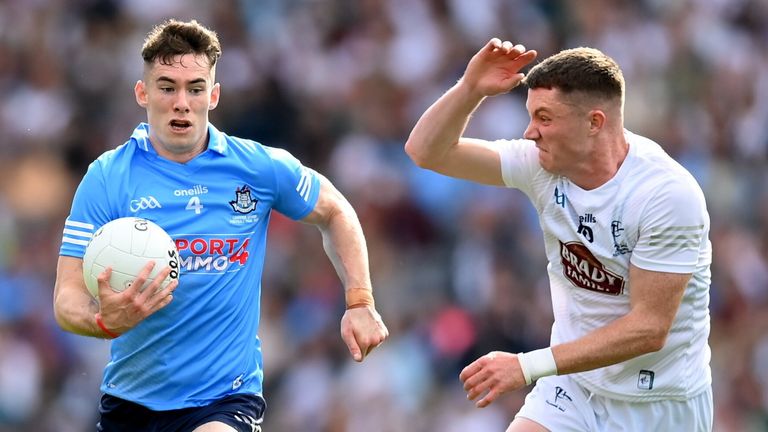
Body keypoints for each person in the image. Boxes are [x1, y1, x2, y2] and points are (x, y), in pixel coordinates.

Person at [53, 19, 388, 432]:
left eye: (195, 88)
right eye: (167, 86)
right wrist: (105, 321)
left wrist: (360, 301)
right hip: (131, 403)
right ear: (143, 93)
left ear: (213, 95)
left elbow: (336, 210)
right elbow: (66, 298)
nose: (181, 102)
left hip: (225, 399)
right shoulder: (107, 177)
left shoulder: (257, 167)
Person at [405, 39, 713, 431]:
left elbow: (650, 328)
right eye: (531, 116)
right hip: (574, 389)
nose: (530, 132)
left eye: (545, 118)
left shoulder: (666, 195)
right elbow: (425, 152)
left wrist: (526, 366)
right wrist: (470, 89)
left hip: (659, 403)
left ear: (594, 122)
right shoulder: (541, 166)